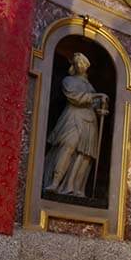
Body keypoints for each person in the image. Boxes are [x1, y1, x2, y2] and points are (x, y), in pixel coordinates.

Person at [44, 53, 109, 198]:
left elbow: (94, 103)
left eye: (83, 63)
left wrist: (102, 105)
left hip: (90, 121)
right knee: (68, 147)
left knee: (84, 155)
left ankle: (74, 187)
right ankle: (55, 182)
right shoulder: (68, 81)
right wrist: (96, 96)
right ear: (74, 65)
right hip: (73, 117)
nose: (80, 66)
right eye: (78, 63)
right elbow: (75, 98)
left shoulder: (89, 86)